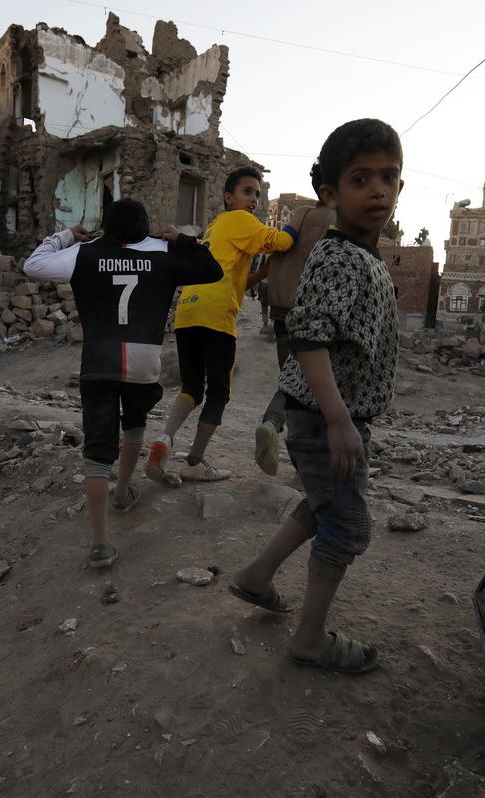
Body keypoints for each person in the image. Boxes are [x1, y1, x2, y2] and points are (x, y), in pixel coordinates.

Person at [226, 119, 403, 674]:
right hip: (326, 419)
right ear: (330, 193)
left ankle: (257, 576)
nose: (378, 190)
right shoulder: (340, 257)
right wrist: (339, 420)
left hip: (326, 416)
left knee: (323, 503)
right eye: (360, 179)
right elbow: (307, 336)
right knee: (348, 527)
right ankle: (308, 638)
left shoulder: (362, 255)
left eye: (389, 178)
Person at [23, 199, 222, 568]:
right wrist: (181, 239)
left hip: (99, 360)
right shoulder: (163, 251)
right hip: (144, 361)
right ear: (145, 225)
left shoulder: (84, 252)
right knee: (134, 424)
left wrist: (67, 235)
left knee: (98, 452)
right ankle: (123, 492)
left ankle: (100, 544)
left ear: (107, 226)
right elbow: (213, 270)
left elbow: (32, 265)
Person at [145, 167, 296, 484]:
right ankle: (195, 462)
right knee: (218, 392)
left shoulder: (214, 228)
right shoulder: (241, 220)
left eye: (256, 193)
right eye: (247, 191)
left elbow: (239, 283)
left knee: (191, 388)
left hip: (188, 311)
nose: (253, 199)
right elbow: (280, 241)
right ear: (229, 197)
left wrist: (264, 271)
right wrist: (299, 223)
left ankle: (165, 440)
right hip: (216, 316)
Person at [253, 164, 337, 475]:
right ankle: (305, 469)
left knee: (292, 380)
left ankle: (272, 426)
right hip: (315, 315)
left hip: (280, 311)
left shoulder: (299, 215)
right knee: (318, 391)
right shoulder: (340, 222)